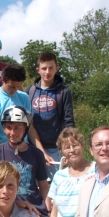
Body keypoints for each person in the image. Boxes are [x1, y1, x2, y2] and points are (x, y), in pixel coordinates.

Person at [25, 52, 75, 181]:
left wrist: (69, 149)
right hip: (32, 147)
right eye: (44, 68)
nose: (47, 72)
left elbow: (69, 122)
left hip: (56, 148)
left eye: (51, 68)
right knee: (33, 187)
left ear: (56, 68)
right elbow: (26, 123)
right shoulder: (29, 91)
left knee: (55, 187)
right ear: (38, 70)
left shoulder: (63, 92)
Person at [0, 64, 42, 146]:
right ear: (3, 79)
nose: (14, 90)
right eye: (11, 86)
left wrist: (42, 152)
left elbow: (30, 127)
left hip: (23, 149)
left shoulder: (24, 97)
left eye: (18, 86)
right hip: (3, 151)